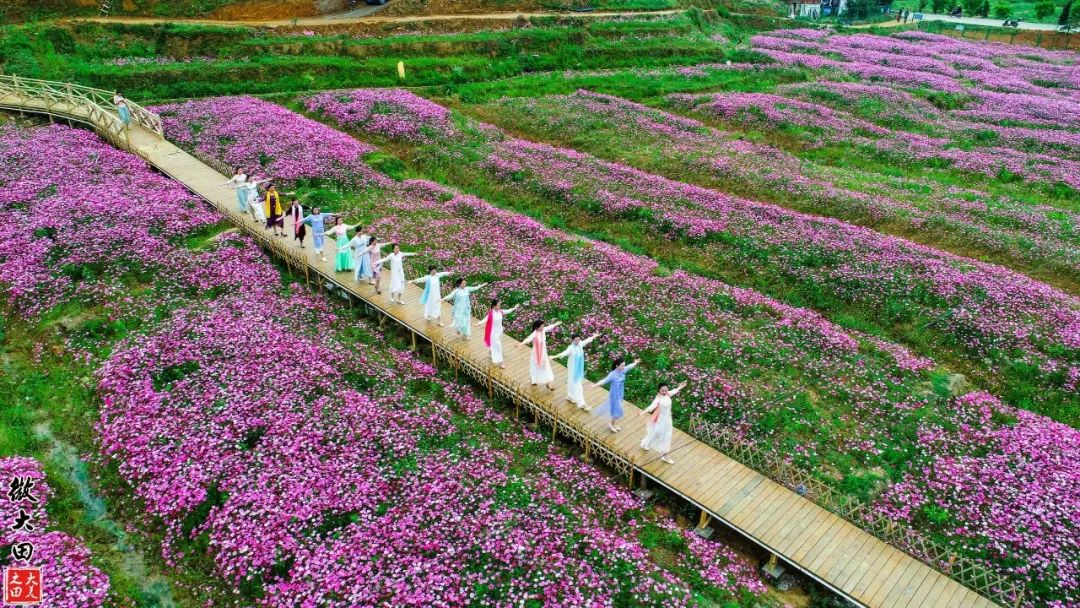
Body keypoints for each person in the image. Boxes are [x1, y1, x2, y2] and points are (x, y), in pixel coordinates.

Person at [639, 381, 687, 464]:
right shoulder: (658, 399)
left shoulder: (668, 394)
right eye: (662, 391)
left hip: (667, 420)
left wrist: (680, 387)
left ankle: (664, 455)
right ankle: (646, 444)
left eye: (666, 390)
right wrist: (643, 411)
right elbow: (652, 406)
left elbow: (674, 391)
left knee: (666, 436)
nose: (664, 392)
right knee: (657, 433)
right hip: (660, 420)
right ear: (659, 391)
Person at [552, 333, 600, 409]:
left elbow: (586, 341)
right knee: (578, 386)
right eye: (576, 340)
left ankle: (570, 396)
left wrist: (594, 336)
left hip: (578, 369)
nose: (577, 341)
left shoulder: (580, 344)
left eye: (578, 340)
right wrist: (555, 356)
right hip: (573, 369)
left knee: (571, 382)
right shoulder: (570, 348)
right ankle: (582, 403)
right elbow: (564, 353)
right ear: (572, 340)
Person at [594, 357, 640, 432]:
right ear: (617, 366)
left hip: (620, 393)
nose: (623, 367)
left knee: (617, 410)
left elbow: (630, 366)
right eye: (622, 366)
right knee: (619, 411)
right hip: (614, 395)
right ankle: (611, 423)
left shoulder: (622, 370)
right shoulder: (612, 374)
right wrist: (594, 385)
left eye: (624, 365)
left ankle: (613, 423)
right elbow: (604, 380)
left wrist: (636, 362)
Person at [477, 297, 520, 368]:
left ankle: (491, 352)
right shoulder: (490, 314)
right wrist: (478, 324)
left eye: (499, 305)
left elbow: (507, 311)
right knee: (498, 346)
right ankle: (501, 362)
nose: (499, 307)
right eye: (498, 305)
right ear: (494, 306)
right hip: (493, 333)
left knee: (496, 344)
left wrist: (514, 308)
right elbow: (484, 320)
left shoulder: (500, 311)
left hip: (499, 331)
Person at [521, 319, 561, 390]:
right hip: (536, 354)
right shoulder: (534, 334)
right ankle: (533, 379)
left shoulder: (543, 331)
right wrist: (520, 344)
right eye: (541, 326)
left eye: (543, 326)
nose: (543, 328)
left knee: (546, 367)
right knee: (535, 367)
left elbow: (549, 327)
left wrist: (555, 324)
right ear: (537, 327)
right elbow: (528, 339)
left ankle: (548, 384)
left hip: (543, 353)